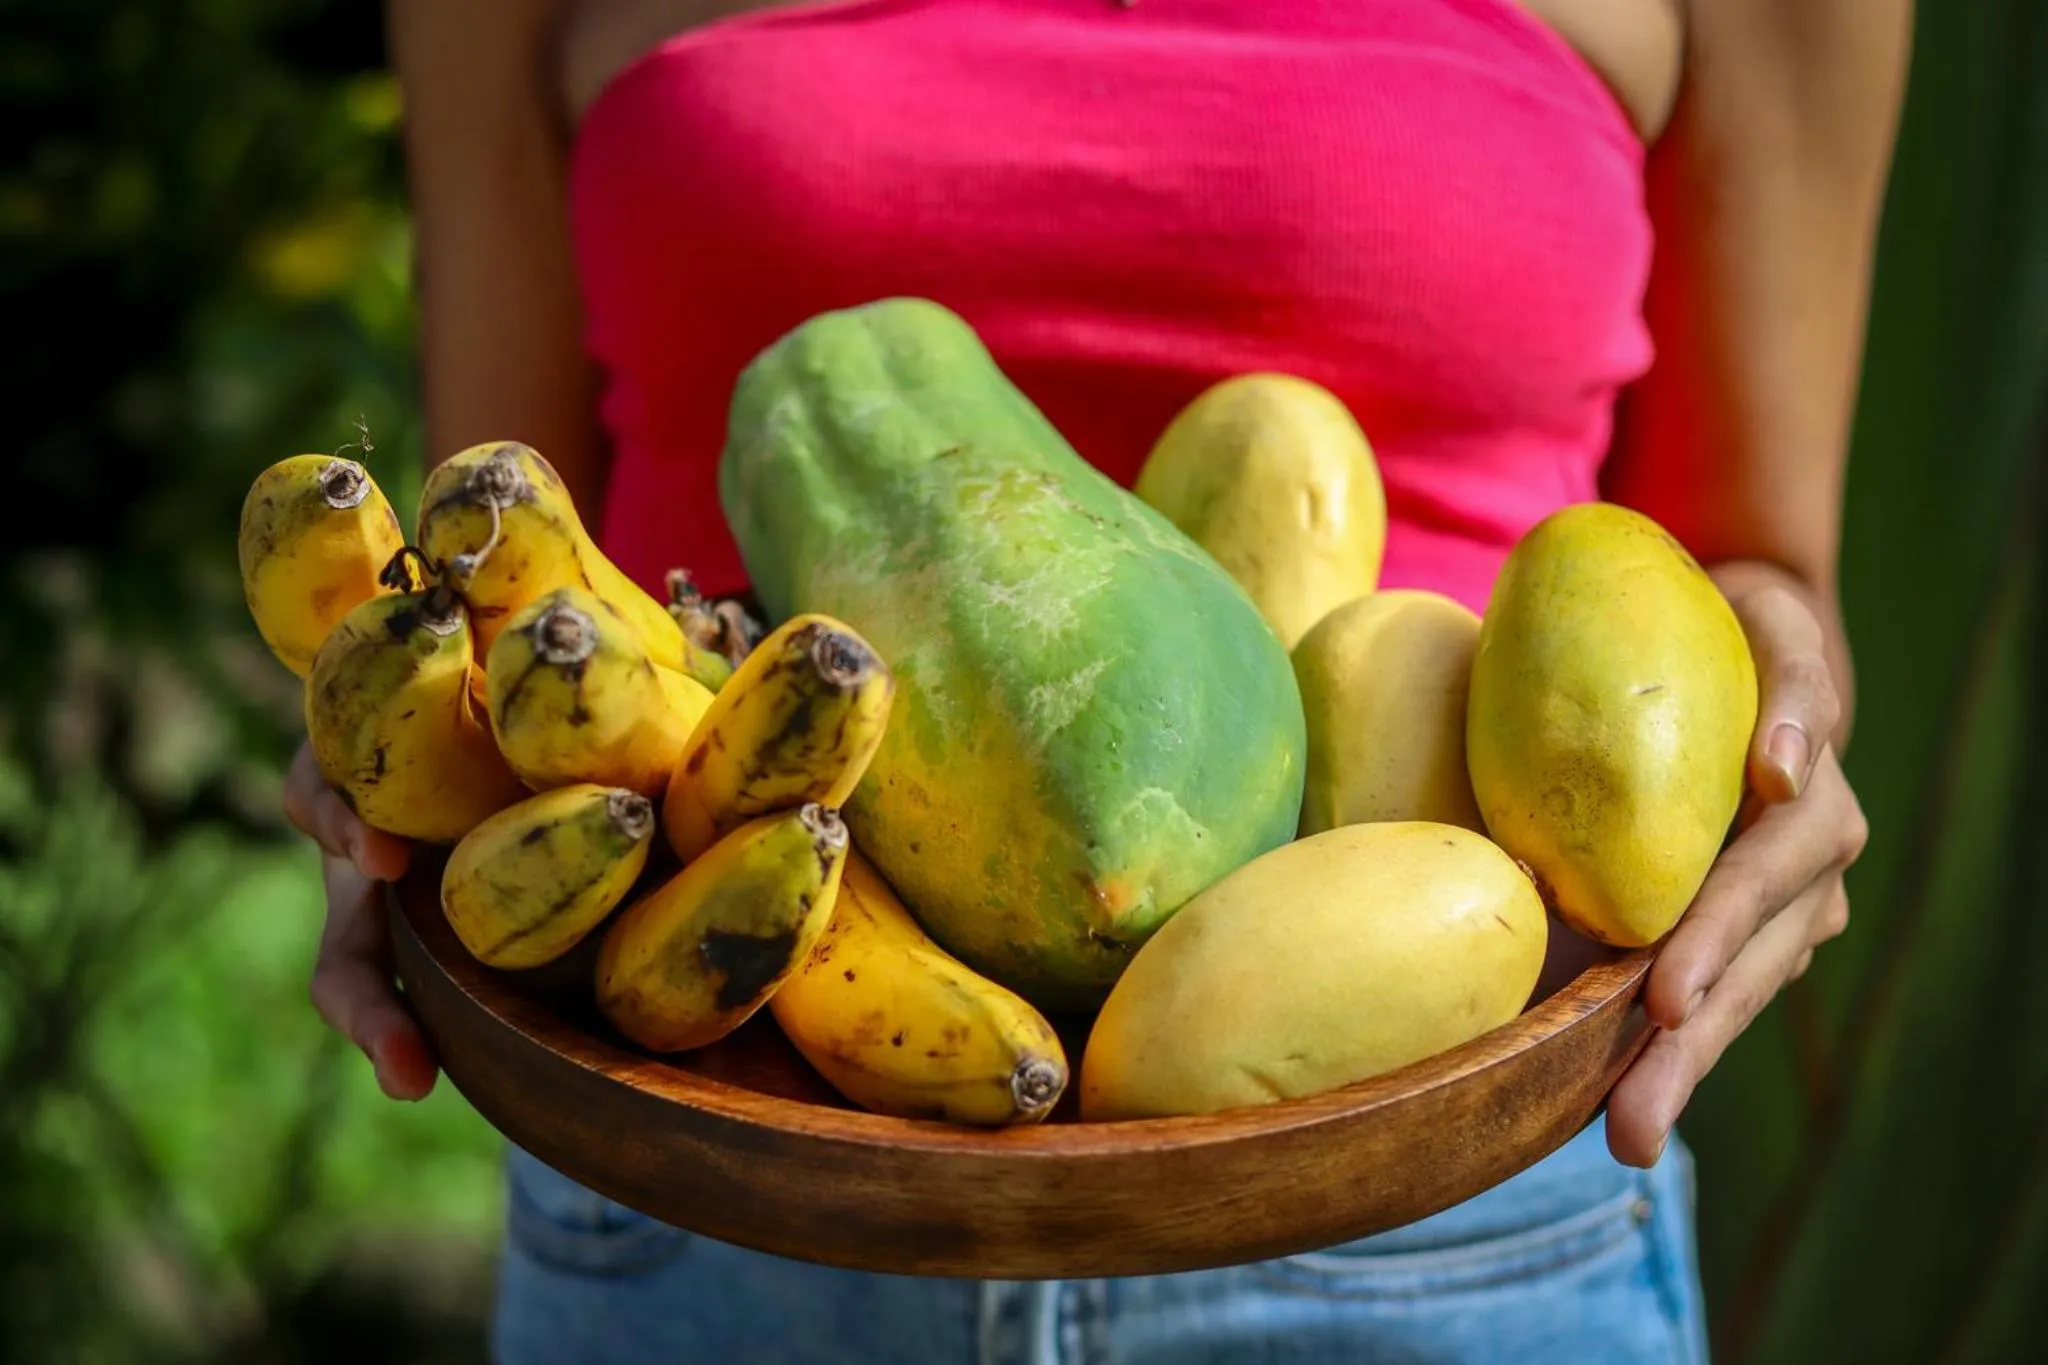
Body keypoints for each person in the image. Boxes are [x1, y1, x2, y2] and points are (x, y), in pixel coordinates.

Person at [289, 0, 1902, 1359]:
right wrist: (407, 743)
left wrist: (1780, 721)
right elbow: (493, 542)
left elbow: (1752, 548)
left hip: (1446, 1208)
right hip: (720, 1155)